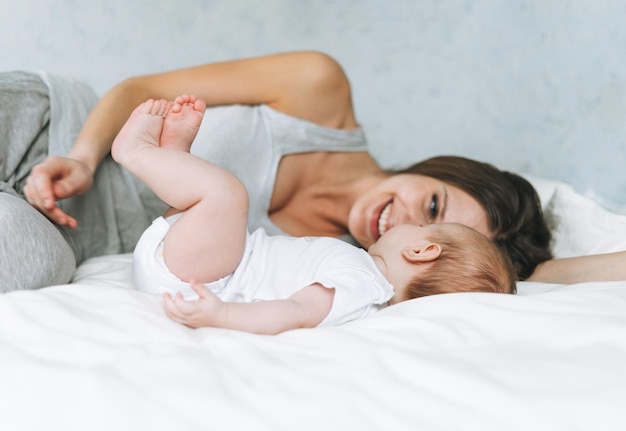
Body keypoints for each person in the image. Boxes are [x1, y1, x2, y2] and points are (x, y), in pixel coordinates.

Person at [4, 51, 624, 292]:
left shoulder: (336, 270)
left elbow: (543, 276)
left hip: (64, 234)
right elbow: (140, 87)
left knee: (32, 265)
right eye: (432, 201)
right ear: (439, 170)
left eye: (431, 231)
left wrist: (527, 266)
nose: (401, 217)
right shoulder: (318, 91)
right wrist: (83, 158)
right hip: (52, 128)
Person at [111, 94, 516, 333]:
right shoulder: (362, 271)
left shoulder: (362, 285)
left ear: (423, 251)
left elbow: (297, 312)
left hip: (208, 282)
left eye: (430, 227)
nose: (408, 223)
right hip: (208, 264)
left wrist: (223, 315)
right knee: (211, 210)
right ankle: (175, 161)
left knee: (228, 197)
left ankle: (139, 153)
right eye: (433, 208)